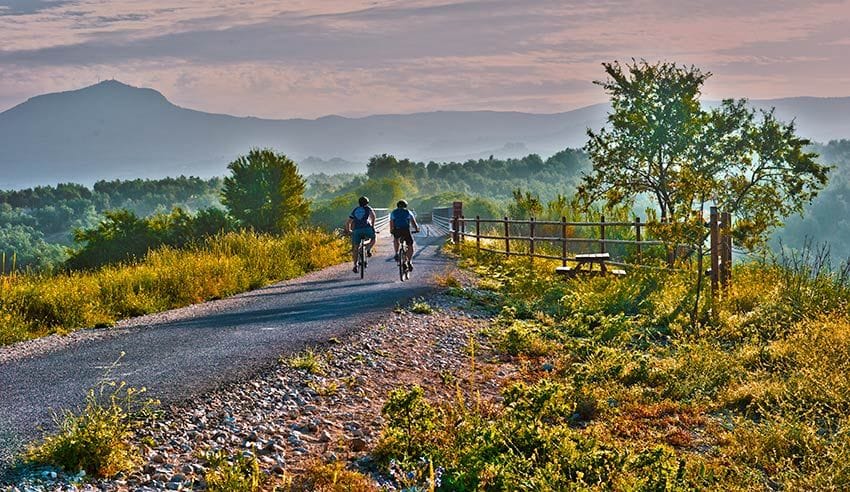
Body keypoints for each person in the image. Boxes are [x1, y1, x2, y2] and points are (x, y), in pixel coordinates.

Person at [346, 196, 376, 274]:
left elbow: (348, 222)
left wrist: (349, 230)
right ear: (367, 203)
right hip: (367, 229)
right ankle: (368, 249)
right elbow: (373, 217)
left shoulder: (355, 210)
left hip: (356, 231)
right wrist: (372, 226)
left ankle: (355, 265)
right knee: (373, 238)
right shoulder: (368, 208)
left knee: (355, 247)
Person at [389, 199, 420, 271]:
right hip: (406, 230)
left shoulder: (393, 212)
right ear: (405, 206)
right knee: (410, 245)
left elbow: (391, 222)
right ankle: (409, 261)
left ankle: (396, 253)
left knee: (396, 239)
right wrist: (416, 229)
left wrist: (391, 230)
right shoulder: (408, 212)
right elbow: (413, 222)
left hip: (397, 229)